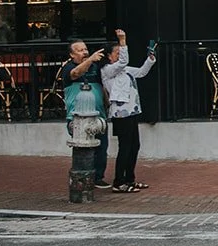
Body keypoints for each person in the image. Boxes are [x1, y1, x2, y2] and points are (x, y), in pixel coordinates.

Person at [100, 30, 157, 193]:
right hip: (120, 114)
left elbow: (141, 72)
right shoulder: (107, 70)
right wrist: (123, 41)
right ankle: (119, 182)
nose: (120, 56)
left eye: (120, 52)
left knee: (134, 146)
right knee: (125, 147)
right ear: (109, 56)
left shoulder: (124, 70)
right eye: (117, 53)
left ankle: (130, 179)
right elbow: (123, 61)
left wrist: (150, 59)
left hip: (132, 111)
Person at [57, 38, 111, 190]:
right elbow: (75, 73)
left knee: (101, 148)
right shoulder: (68, 68)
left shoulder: (95, 68)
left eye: (86, 49)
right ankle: (83, 179)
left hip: (98, 115)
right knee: (83, 150)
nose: (85, 52)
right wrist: (91, 59)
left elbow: (101, 87)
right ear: (71, 55)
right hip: (77, 118)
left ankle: (98, 177)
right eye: (80, 50)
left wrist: (107, 103)